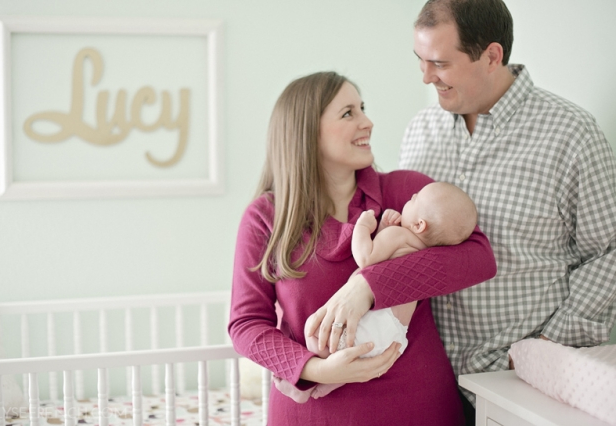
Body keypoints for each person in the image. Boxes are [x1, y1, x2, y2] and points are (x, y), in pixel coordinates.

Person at [228, 70, 496, 425]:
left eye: (363, 108)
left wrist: (368, 287)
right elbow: (246, 324)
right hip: (312, 414)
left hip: (416, 407)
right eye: (348, 113)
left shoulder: (406, 194)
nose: (367, 122)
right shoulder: (265, 218)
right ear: (306, 132)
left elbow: (478, 258)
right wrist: (317, 369)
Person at [399, 0, 616, 423]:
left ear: (492, 56)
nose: (426, 77)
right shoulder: (419, 132)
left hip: (520, 389)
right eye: (420, 60)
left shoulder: (571, 135)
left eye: (439, 63)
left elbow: (607, 253)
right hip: (426, 382)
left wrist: (546, 346)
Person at [273, 181, 479, 403]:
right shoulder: (427, 252)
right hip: (394, 336)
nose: (410, 198)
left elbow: (366, 258)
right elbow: (389, 262)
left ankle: (304, 386)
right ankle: (325, 386)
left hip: (376, 322)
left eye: (415, 199)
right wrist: (383, 230)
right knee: (353, 363)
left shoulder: (399, 236)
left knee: (314, 330)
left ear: (419, 225)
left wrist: (364, 227)